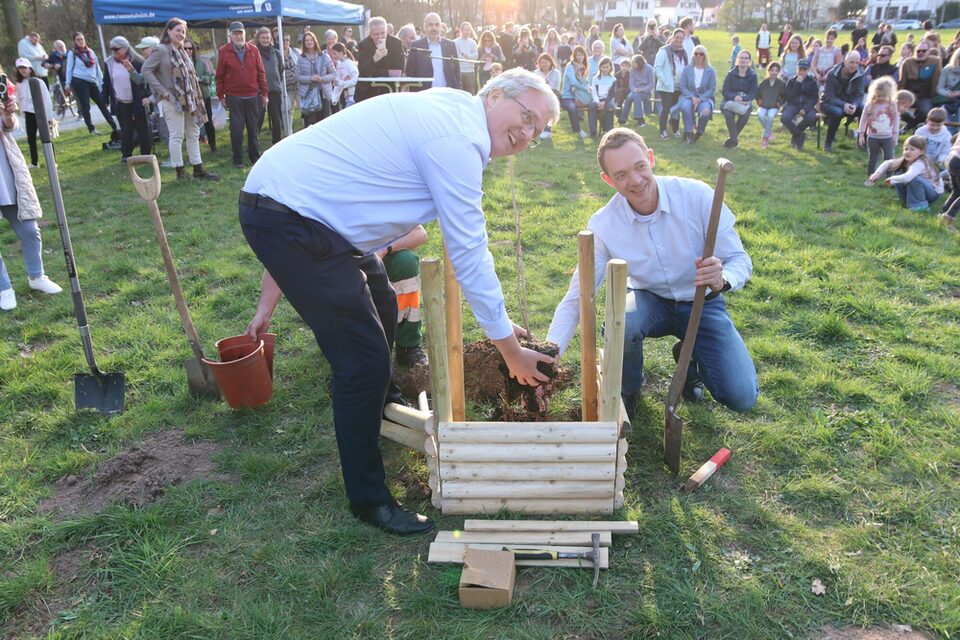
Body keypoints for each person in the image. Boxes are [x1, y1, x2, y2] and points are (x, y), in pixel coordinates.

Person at [239, 68, 559, 535]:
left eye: (538, 129)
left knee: (384, 302)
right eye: (526, 115)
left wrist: (504, 330)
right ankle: (369, 501)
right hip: (293, 218)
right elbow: (469, 250)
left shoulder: (457, 115)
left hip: (313, 216)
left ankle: (376, 400)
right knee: (361, 360)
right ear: (493, 96)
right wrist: (508, 348)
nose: (528, 133)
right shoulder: (457, 137)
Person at [546, 127, 757, 420]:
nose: (634, 180)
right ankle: (628, 390)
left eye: (639, 167)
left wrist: (723, 279)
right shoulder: (604, 224)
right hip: (648, 298)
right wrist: (550, 353)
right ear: (608, 180)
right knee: (622, 323)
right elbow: (578, 297)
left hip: (701, 302)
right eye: (620, 175)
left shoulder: (697, 196)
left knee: (741, 396)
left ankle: (691, 360)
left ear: (651, 158)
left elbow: (739, 259)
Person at [0, 70, 62, 312]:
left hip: (6, 174)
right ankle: (4, 288)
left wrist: (8, 114)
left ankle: (36, 277)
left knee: (29, 230)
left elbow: (9, 127)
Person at [142, 19, 218, 181]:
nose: (181, 34)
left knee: (194, 133)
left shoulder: (183, 51)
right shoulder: (161, 50)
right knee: (177, 136)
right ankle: (180, 173)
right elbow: (146, 70)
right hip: (172, 100)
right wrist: (162, 92)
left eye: (183, 31)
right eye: (177, 30)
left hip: (189, 99)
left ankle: (198, 169)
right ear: (168, 31)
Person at [216, 22, 269, 168]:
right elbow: (219, 76)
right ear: (230, 36)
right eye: (235, 33)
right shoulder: (224, 51)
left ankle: (254, 157)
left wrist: (264, 94)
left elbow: (261, 73)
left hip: (252, 95)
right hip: (234, 97)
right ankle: (237, 160)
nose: (238, 36)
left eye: (240, 33)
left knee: (253, 129)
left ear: (245, 34)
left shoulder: (253, 50)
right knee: (236, 130)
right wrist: (221, 96)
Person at [378, 226, 429, 368]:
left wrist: (384, 250)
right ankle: (351, 352)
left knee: (405, 262)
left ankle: (407, 346)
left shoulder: (386, 204)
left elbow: (420, 234)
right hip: (349, 258)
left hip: (381, 254)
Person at [101, 38, 152, 162]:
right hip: (121, 101)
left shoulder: (138, 61)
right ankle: (126, 154)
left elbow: (144, 82)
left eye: (116, 49)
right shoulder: (109, 63)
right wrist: (105, 97)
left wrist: (146, 96)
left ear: (125, 48)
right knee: (126, 129)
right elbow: (106, 82)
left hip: (137, 100)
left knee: (142, 128)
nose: (114, 52)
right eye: (112, 49)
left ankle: (145, 153)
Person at [866, 135, 943, 211]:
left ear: (921, 151)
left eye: (912, 149)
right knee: (899, 173)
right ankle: (905, 200)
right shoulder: (906, 160)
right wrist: (877, 174)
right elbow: (888, 163)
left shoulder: (920, 163)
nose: (907, 152)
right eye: (906, 149)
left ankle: (920, 206)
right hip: (923, 190)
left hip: (933, 193)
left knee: (914, 179)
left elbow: (907, 177)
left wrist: (891, 179)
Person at [66, 32, 119, 136]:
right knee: (86, 105)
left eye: (82, 39)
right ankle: (91, 128)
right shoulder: (73, 53)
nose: (80, 41)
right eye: (78, 40)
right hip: (80, 81)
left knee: (102, 104)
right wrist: (67, 84)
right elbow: (69, 69)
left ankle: (114, 125)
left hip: (92, 81)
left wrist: (102, 82)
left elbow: (97, 67)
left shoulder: (90, 52)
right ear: (74, 41)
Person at [822, 52, 865, 152]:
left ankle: (862, 141)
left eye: (857, 63)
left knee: (864, 109)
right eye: (851, 62)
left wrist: (854, 105)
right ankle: (828, 142)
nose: (854, 65)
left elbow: (859, 95)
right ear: (845, 62)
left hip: (849, 102)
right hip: (829, 103)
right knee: (837, 112)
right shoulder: (832, 73)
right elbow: (829, 96)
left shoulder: (860, 74)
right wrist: (843, 104)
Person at [13, 58, 53, 168]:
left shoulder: (38, 82)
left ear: (30, 69)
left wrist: (49, 117)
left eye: (24, 68)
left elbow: (46, 99)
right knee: (31, 138)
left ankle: (52, 161)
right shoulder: (19, 84)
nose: (22, 70)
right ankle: (34, 162)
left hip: (40, 113)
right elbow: (18, 98)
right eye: (20, 68)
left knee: (46, 137)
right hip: (29, 114)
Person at [405, 13, 462, 90]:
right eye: (430, 25)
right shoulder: (416, 46)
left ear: (441, 27)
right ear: (424, 27)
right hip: (423, 93)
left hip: (446, 93)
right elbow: (410, 72)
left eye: (437, 25)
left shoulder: (450, 45)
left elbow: (457, 71)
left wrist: (456, 89)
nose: (434, 28)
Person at [858, 77, 900, 178]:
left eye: (883, 96)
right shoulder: (870, 105)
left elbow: (896, 120)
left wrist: (895, 134)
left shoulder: (892, 105)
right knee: (873, 158)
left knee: (889, 158)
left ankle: (889, 178)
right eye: (878, 96)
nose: (880, 98)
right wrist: (861, 134)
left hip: (887, 137)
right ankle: (871, 177)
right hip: (873, 137)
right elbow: (863, 119)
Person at [355, 17, 404, 102]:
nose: (380, 37)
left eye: (383, 33)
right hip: (368, 92)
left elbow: (398, 69)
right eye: (376, 34)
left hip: (390, 91)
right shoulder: (363, 45)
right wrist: (374, 59)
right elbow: (363, 71)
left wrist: (375, 72)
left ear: (387, 30)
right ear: (370, 33)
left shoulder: (396, 43)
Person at [898, 41, 942, 130]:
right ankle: (912, 123)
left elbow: (935, 81)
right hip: (909, 94)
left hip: (925, 95)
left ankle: (910, 125)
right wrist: (898, 97)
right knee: (897, 108)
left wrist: (933, 97)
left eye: (923, 51)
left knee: (926, 111)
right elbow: (902, 82)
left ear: (929, 51)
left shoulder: (935, 61)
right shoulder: (908, 62)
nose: (921, 53)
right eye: (918, 51)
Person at [677, 44, 716, 144]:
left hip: (704, 98)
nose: (698, 56)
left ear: (705, 55)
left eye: (701, 54)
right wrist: (692, 97)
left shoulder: (710, 71)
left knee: (706, 111)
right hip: (688, 96)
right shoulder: (687, 69)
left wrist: (699, 99)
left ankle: (699, 131)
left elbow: (711, 89)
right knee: (685, 107)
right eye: (696, 53)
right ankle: (689, 132)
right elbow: (682, 86)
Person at [295, 31, 335, 127]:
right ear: (304, 43)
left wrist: (322, 79)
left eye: (311, 39)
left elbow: (334, 74)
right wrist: (310, 78)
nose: (309, 42)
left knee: (325, 123)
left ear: (315, 41)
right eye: (306, 40)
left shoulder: (324, 57)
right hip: (308, 94)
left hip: (323, 94)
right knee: (310, 124)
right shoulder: (301, 58)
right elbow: (297, 76)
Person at [654, 29, 688, 140]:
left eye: (681, 38)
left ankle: (675, 129)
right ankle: (662, 131)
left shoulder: (684, 52)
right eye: (676, 37)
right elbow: (657, 68)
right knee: (666, 108)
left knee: (676, 109)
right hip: (666, 87)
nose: (679, 40)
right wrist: (665, 81)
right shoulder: (664, 51)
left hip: (679, 86)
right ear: (672, 37)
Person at [721, 49, 758, 148]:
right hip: (729, 100)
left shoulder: (753, 76)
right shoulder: (731, 73)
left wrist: (743, 99)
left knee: (745, 115)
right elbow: (725, 91)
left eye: (746, 58)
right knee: (728, 114)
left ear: (749, 61)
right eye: (741, 58)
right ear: (737, 60)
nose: (744, 60)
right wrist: (734, 97)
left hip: (745, 102)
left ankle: (732, 139)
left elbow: (753, 92)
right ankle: (734, 139)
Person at [187, 38, 218, 153]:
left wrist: (199, 79)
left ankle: (213, 145)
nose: (188, 50)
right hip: (189, 98)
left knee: (208, 121)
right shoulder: (180, 63)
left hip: (203, 96)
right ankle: (194, 148)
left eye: (190, 48)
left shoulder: (200, 63)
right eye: (185, 48)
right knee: (192, 123)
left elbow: (209, 78)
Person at [254, 27, 284, 144]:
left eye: (267, 38)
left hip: (274, 90)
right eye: (263, 38)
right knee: (258, 119)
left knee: (277, 120)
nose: (265, 40)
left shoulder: (276, 53)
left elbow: (281, 69)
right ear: (258, 38)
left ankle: (277, 143)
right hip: (259, 92)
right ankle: (254, 143)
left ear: (271, 39)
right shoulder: (254, 52)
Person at [780, 58, 818, 149]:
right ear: (797, 69)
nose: (802, 72)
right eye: (800, 69)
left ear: (808, 70)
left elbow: (814, 98)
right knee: (785, 118)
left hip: (807, 106)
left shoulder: (812, 82)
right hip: (793, 105)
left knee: (811, 118)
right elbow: (788, 97)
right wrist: (797, 84)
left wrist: (805, 109)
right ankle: (799, 135)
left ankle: (796, 134)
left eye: (804, 70)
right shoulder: (791, 81)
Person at [561, 44, 590, 139]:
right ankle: (578, 130)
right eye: (578, 55)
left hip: (579, 96)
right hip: (568, 96)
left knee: (594, 105)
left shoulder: (583, 67)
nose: (580, 57)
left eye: (582, 55)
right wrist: (585, 88)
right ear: (574, 55)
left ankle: (594, 130)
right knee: (572, 107)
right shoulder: (570, 66)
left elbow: (585, 81)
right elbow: (574, 82)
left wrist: (588, 88)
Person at [756, 60, 785, 148]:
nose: (774, 72)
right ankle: (769, 132)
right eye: (772, 70)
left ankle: (765, 138)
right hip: (763, 105)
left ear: (779, 72)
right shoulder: (763, 83)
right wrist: (759, 101)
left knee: (771, 116)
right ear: (768, 70)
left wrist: (779, 102)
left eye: (776, 70)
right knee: (760, 115)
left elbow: (784, 96)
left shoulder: (781, 84)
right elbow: (758, 94)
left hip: (774, 106)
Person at [620, 54, 654, 127]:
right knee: (629, 98)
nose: (632, 65)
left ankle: (640, 119)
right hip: (635, 90)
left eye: (634, 63)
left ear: (639, 62)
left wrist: (642, 89)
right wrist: (634, 89)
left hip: (646, 92)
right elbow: (631, 83)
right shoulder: (632, 70)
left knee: (636, 96)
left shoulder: (649, 68)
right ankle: (623, 119)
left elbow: (651, 84)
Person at [589, 56, 616, 138]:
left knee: (610, 107)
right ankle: (593, 131)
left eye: (607, 67)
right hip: (597, 99)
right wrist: (597, 102)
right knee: (592, 106)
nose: (605, 69)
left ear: (610, 68)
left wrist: (604, 103)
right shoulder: (595, 78)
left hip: (607, 100)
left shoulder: (613, 79)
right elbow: (594, 92)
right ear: (600, 67)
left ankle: (608, 130)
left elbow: (611, 94)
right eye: (603, 67)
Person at [535, 53, 560, 138]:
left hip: (553, 94)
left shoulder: (556, 73)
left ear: (550, 62)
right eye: (541, 62)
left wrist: (543, 86)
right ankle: (538, 128)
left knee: (547, 104)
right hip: (539, 96)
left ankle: (547, 129)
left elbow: (554, 87)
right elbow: (535, 87)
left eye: (546, 62)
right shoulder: (536, 73)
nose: (544, 64)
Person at [938, 135, 960, 230]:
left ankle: (942, 213)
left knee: (956, 191)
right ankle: (948, 218)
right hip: (958, 161)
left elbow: (953, 138)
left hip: (951, 157)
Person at [329, 42, 358, 109]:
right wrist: (334, 99)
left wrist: (340, 83)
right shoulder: (340, 64)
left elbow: (354, 80)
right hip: (347, 97)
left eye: (334, 53)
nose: (333, 56)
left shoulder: (349, 64)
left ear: (341, 53)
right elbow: (339, 83)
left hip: (353, 96)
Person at [455, 22, 479, 94]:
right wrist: (468, 58)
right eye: (465, 30)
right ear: (461, 30)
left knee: (470, 93)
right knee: (459, 93)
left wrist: (467, 55)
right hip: (460, 71)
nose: (467, 32)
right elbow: (457, 57)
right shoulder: (455, 42)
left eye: (469, 30)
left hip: (470, 71)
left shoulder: (473, 43)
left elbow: (476, 56)